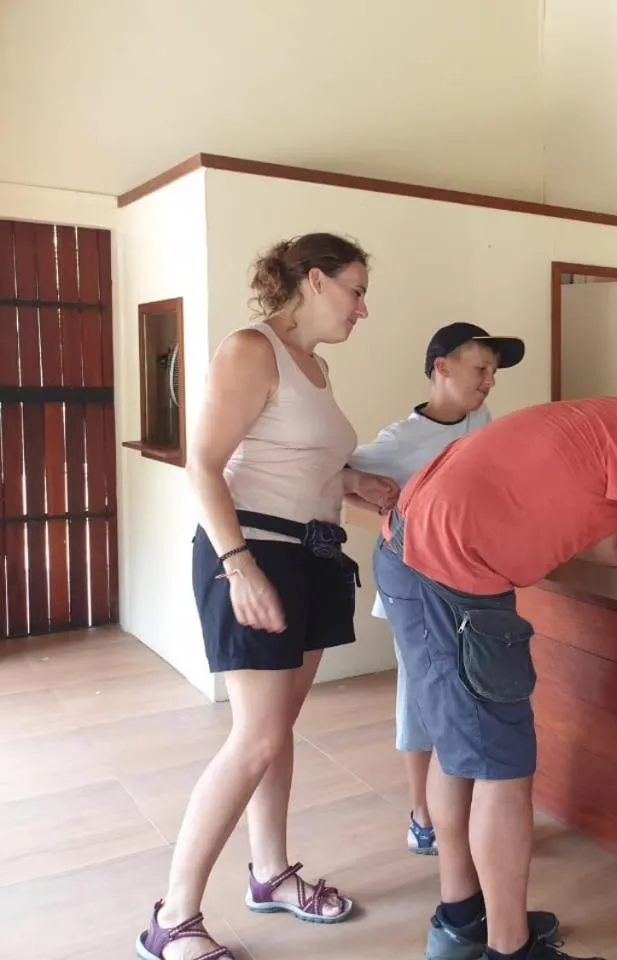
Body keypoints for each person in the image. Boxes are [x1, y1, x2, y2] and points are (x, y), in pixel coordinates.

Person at [374, 350, 617, 960]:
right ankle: (509, 947)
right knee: (502, 768)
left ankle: (462, 918)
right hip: (454, 576)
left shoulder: (599, 420)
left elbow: (607, 547)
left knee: (460, 748)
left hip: (407, 552)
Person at [136, 233, 400, 960]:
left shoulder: (314, 366)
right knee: (254, 738)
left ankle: (270, 873)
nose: (362, 307)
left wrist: (353, 483)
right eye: (354, 289)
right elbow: (205, 465)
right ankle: (173, 918)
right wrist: (238, 564)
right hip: (254, 554)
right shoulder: (250, 350)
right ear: (313, 282)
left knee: (274, 733)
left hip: (311, 557)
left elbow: (293, 458)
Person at [347, 321, 525, 857]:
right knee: (420, 701)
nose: (489, 380)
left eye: (493, 372)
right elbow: (338, 476)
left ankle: (458, 805)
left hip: (471, 587)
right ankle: (422, 812)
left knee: (466, 692)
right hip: (416, 592)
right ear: (441, 368)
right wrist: (380, 508)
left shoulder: (480, 420)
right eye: (481, 368)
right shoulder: (401, 441)